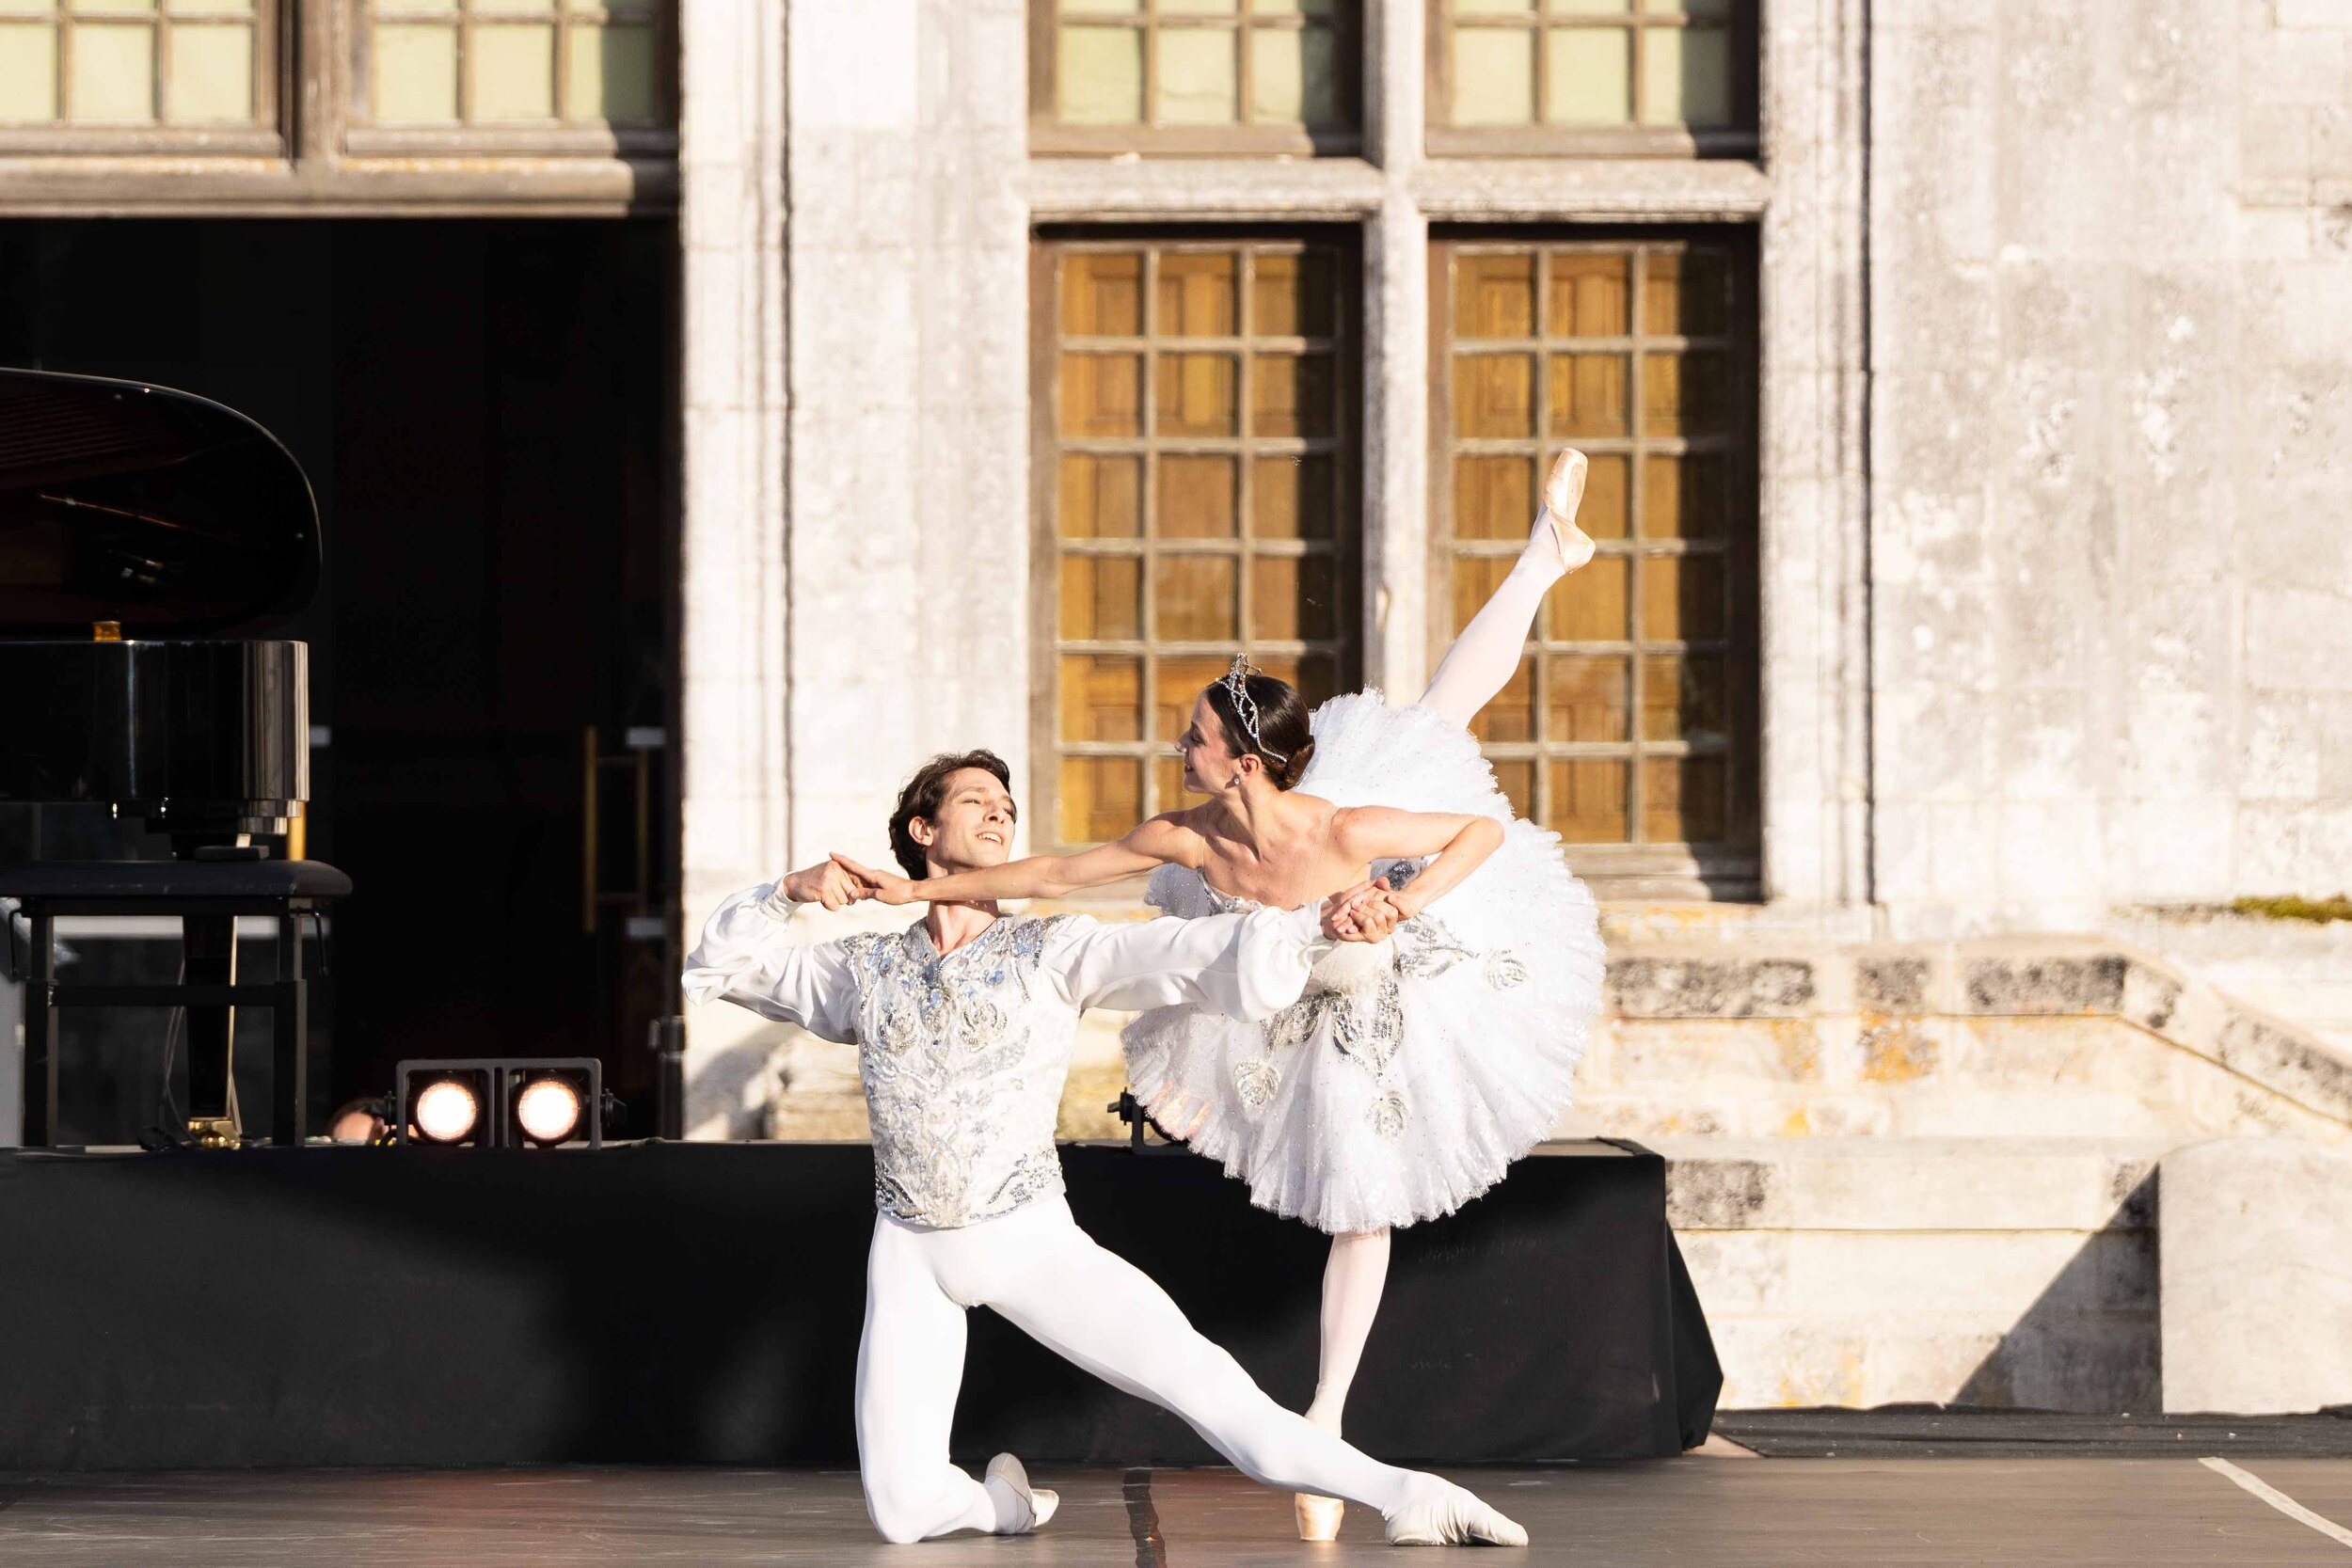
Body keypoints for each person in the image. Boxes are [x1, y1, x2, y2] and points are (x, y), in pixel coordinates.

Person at [834, 450, 1607, 1539]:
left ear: (1241, 760)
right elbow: (1057, 873)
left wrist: (1401, 901)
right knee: (1428, 718)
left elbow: (1481, 831)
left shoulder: (1346, 823)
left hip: (1377, 964)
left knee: (1366, 1187)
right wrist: (919, 887)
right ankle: (1545, 555)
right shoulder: (1188, 834)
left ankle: (1327, 1418)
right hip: (1275, 966)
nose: (1177, 746)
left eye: (1194, 736)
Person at [682, 750, 1530, 1546]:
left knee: (1215, 1394)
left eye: (1007, 806)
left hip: (1026, 1241)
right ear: (922, 830)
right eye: (976, 800)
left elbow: (1190, 952)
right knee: (903, 1511)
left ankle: (1412, 1494)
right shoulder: (861, 969)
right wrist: (787, 892)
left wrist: (1317, 924)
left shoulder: (1052, 950)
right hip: (907, 1248)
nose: (1000, 814)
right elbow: (717, 971)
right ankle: (1008, 1505)